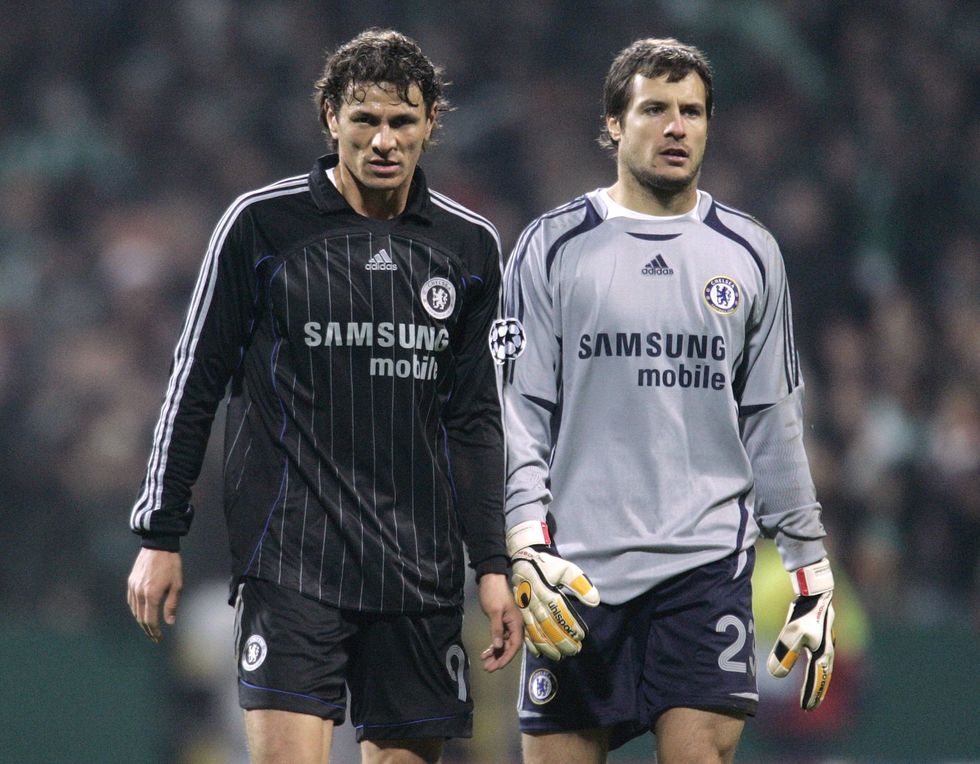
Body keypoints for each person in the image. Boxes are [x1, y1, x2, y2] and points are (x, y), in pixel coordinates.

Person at [126, 28, 522, 764]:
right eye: (364, 119)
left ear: (432, 123)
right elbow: (195, 382)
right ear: (330, 118)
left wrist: (492, 565)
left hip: (420, 570)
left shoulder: (469, 247)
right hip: (293, 562)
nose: (383, 140)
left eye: (402, 121)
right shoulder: (261, 226)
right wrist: (160, 532)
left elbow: (475, 418)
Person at [493, 37, 836, 763]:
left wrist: (811, 571)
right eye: (655, 109)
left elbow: (774, 420)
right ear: (614, 123)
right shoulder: (551, 247)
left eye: (693, 111)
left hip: (703, 571)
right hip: (576, 573)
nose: (677, 126)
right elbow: (520, 413)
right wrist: (526, 541)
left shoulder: (748, 251)